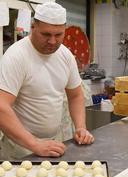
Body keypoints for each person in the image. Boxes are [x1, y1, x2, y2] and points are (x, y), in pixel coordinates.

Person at [0, 2, 94, 159]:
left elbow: (76, 95)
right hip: (21, 146)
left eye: (58, 35)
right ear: (33, 27)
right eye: (46, 34)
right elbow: (2, 107)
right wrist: (34, 144)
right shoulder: (16, 56)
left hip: (53, 142)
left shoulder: (65, 56)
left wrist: (80, 127)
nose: (52, 41)